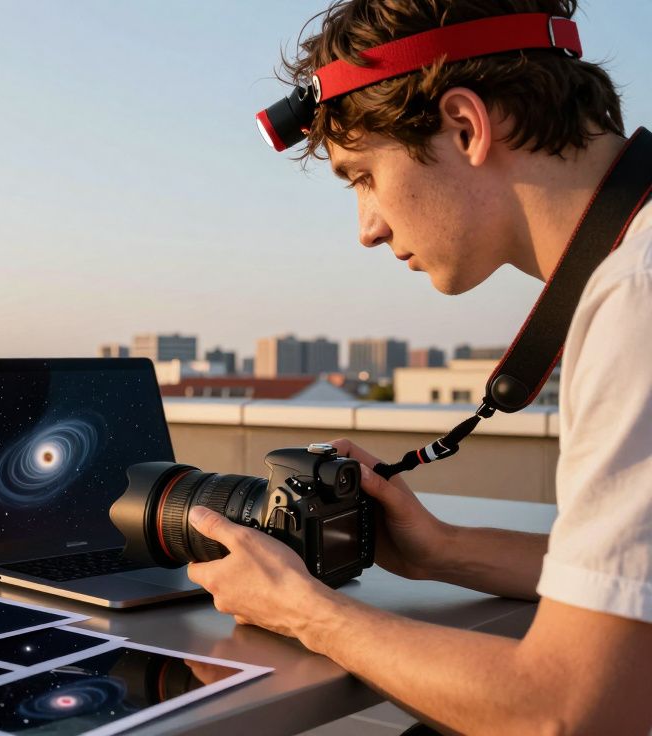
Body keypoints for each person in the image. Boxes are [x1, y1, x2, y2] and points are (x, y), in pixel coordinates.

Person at [184, 1, 652, 733]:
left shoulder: (637, 298)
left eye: (363, 176)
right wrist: (444, 551)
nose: (367, 229)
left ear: (465, 127)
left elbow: (569, 711)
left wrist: (306, 611)